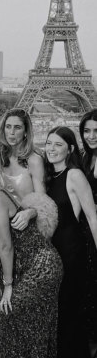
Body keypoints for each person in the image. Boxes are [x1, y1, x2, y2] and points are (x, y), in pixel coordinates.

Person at [0, 148, 62, 358]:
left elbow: (5, 245)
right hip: (29, 265)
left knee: (1, 320)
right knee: (23, 326)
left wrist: (8, 287)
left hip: (42, 265)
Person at [0, 108, 46, 327]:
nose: (11, 132)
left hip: (25, 234)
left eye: (17, 127)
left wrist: (30, 212)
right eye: (8, 127)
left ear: (26, 131)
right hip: (2, 234)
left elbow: (43, 201)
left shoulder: (34, 160)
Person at [45, 126, 97, 358]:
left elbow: (92, 217)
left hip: (71, 252)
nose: (51, 149)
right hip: (54, 251)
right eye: (49, 143)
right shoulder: (51, 175)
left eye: (58, 145)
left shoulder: (74, 174)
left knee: (69, 312)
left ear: (71, 149)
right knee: (61, 313)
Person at [79, 109, 97, 342]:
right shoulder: (86, 157)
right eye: (86, 131)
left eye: (96, 131)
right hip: (86, 231)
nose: (91, 136)